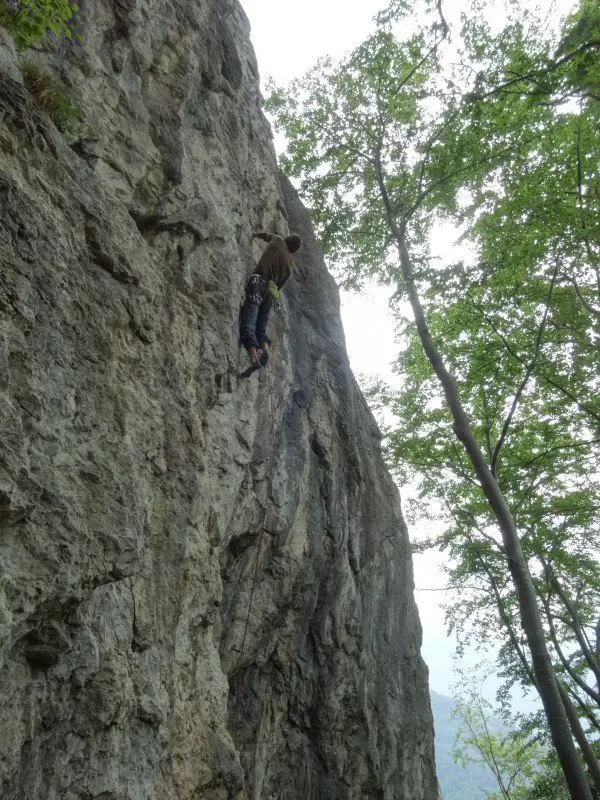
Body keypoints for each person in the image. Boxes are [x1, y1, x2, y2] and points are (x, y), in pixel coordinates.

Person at [239, 230, 302, 370]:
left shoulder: (279, 241)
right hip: (269, 294)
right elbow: (279, 286)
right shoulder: (289, 266)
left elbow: (266, 235)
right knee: (260, 329)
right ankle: (265, 348)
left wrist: (254, 234)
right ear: (293, 251)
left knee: (248, 322)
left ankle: (254, 358)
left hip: (258, 282)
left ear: (287, 239)